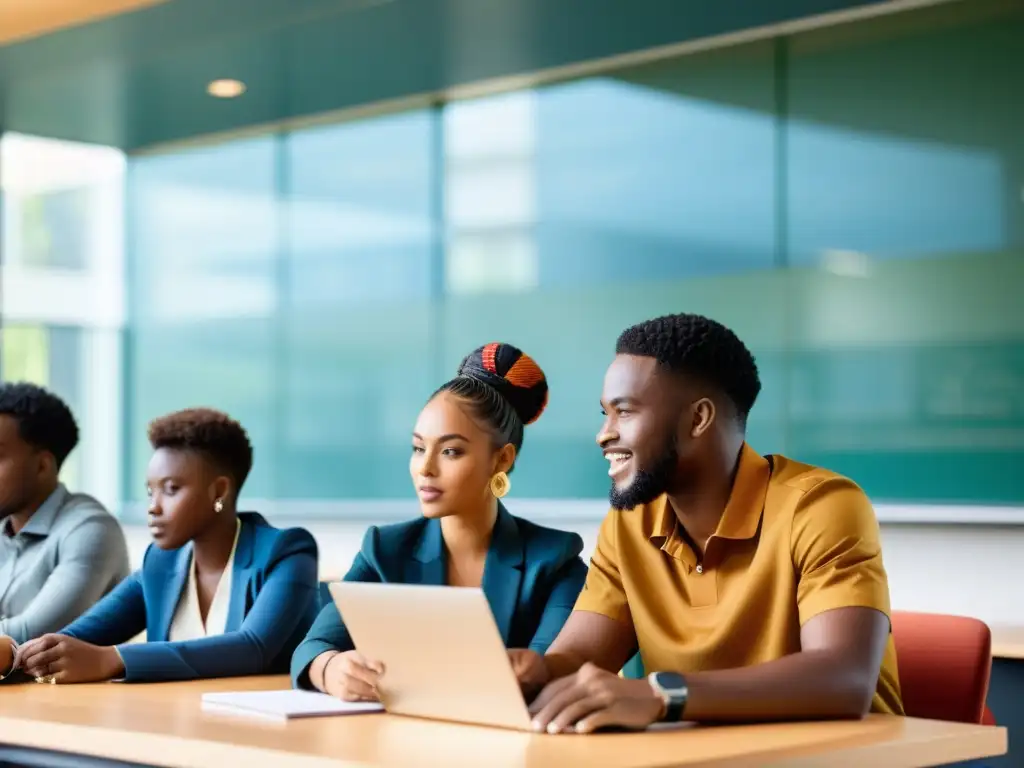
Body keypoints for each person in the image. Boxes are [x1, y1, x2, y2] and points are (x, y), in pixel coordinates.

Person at [510, 313, 903, 734]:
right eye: (605, 413)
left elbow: (843, 678)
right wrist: (534, 673)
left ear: (698, 419)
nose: (603, 434)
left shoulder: (821, 507)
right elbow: (580, 659)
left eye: (624, 412)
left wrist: (661, 694)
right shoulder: (629, 524)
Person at [292, 343, 588, 700]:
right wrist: (329, 668)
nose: (425, 469)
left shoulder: (555, 560)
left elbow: (553, 665)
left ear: (501, 459)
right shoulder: (385, 550)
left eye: (451, 451)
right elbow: (315, 645)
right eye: (418, 448)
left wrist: (532, 671)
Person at [16, 408, 319, 684]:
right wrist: (19, 655)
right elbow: (76, 639)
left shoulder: (287, 552)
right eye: (150, 491)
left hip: (265, 732)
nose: (153, 507)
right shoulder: (162, 562)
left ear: (220, 491)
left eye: (171, 489)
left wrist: (113, 659)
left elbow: (252, 647)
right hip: (173, 723)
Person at [0, 383, 129, 647]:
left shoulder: (91, 529)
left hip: (72, 689)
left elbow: (28, 636)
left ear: (43, 466)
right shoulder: (6, 523)